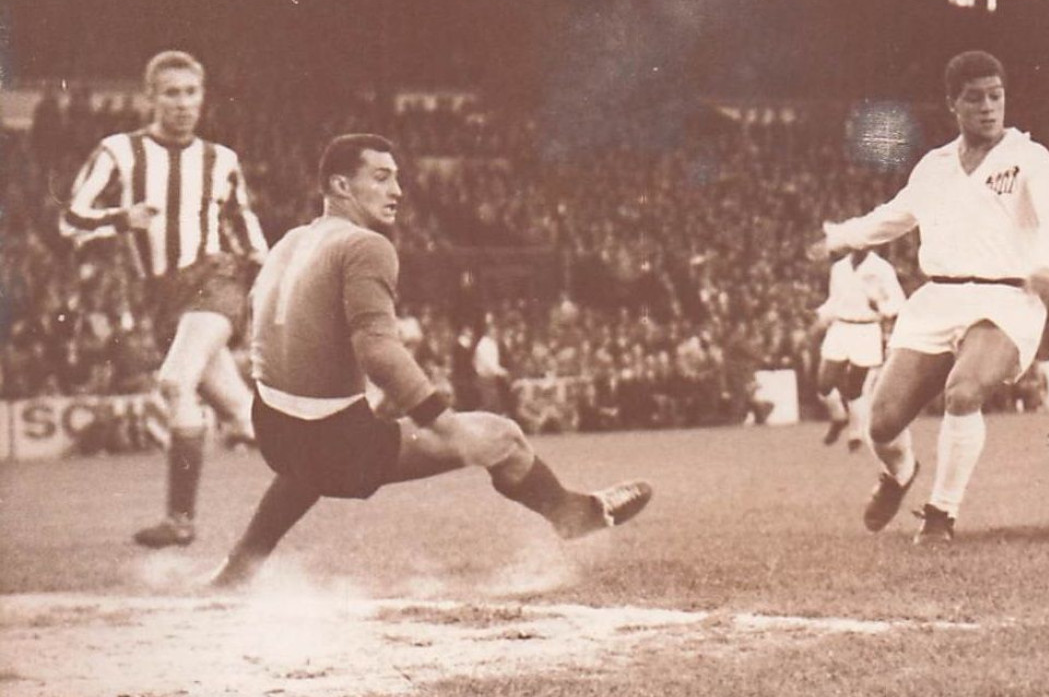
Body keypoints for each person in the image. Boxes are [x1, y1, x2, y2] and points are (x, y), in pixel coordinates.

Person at [209, 135, 651, 590]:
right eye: (381, 178)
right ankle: (573, 516)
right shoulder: (366, 245)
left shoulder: (289, 243)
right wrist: (440, 419)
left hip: (274, 431)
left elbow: (263, 323)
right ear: (341, 186)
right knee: (503, 437)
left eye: (397, 178)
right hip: (333, 442)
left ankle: (240, 567)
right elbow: (377, 350)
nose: (397, 191)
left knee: (305, 468)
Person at [809, 51, 1049, 544]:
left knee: (963, 391)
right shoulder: (934, 166)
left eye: (996, 96)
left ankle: (941, 514)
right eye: (974, 98)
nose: (988, 107)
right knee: (881, 423)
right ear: (952, 104)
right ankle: (899, 473)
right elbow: (894, 216)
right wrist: (841, 237)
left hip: (1006, 299)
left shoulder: (1028, 158)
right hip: (938, 300)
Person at [60, 50, 269, 548]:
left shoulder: (222, 161)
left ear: (203, 97)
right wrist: (120, 217)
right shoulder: (118, 152)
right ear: (149, 98)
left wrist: (266, 281)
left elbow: (246, 231)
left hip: (215, 281)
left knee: (176, 383)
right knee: (246, 416)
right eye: (171, 93)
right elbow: (70, 217)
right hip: (163, 299)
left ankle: (181, 519)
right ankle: (345, 457)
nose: (182, 104)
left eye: (191, 92)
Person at [814, 247, 905, 451]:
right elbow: (834, 299)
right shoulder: (839, 268)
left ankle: (856, 433)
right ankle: (838, 416)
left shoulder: (881, 268)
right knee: (824, 383)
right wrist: (823, 316)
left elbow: (898, 301)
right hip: (841, 327)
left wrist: (881, 307)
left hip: (866, 330)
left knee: (855, 386)